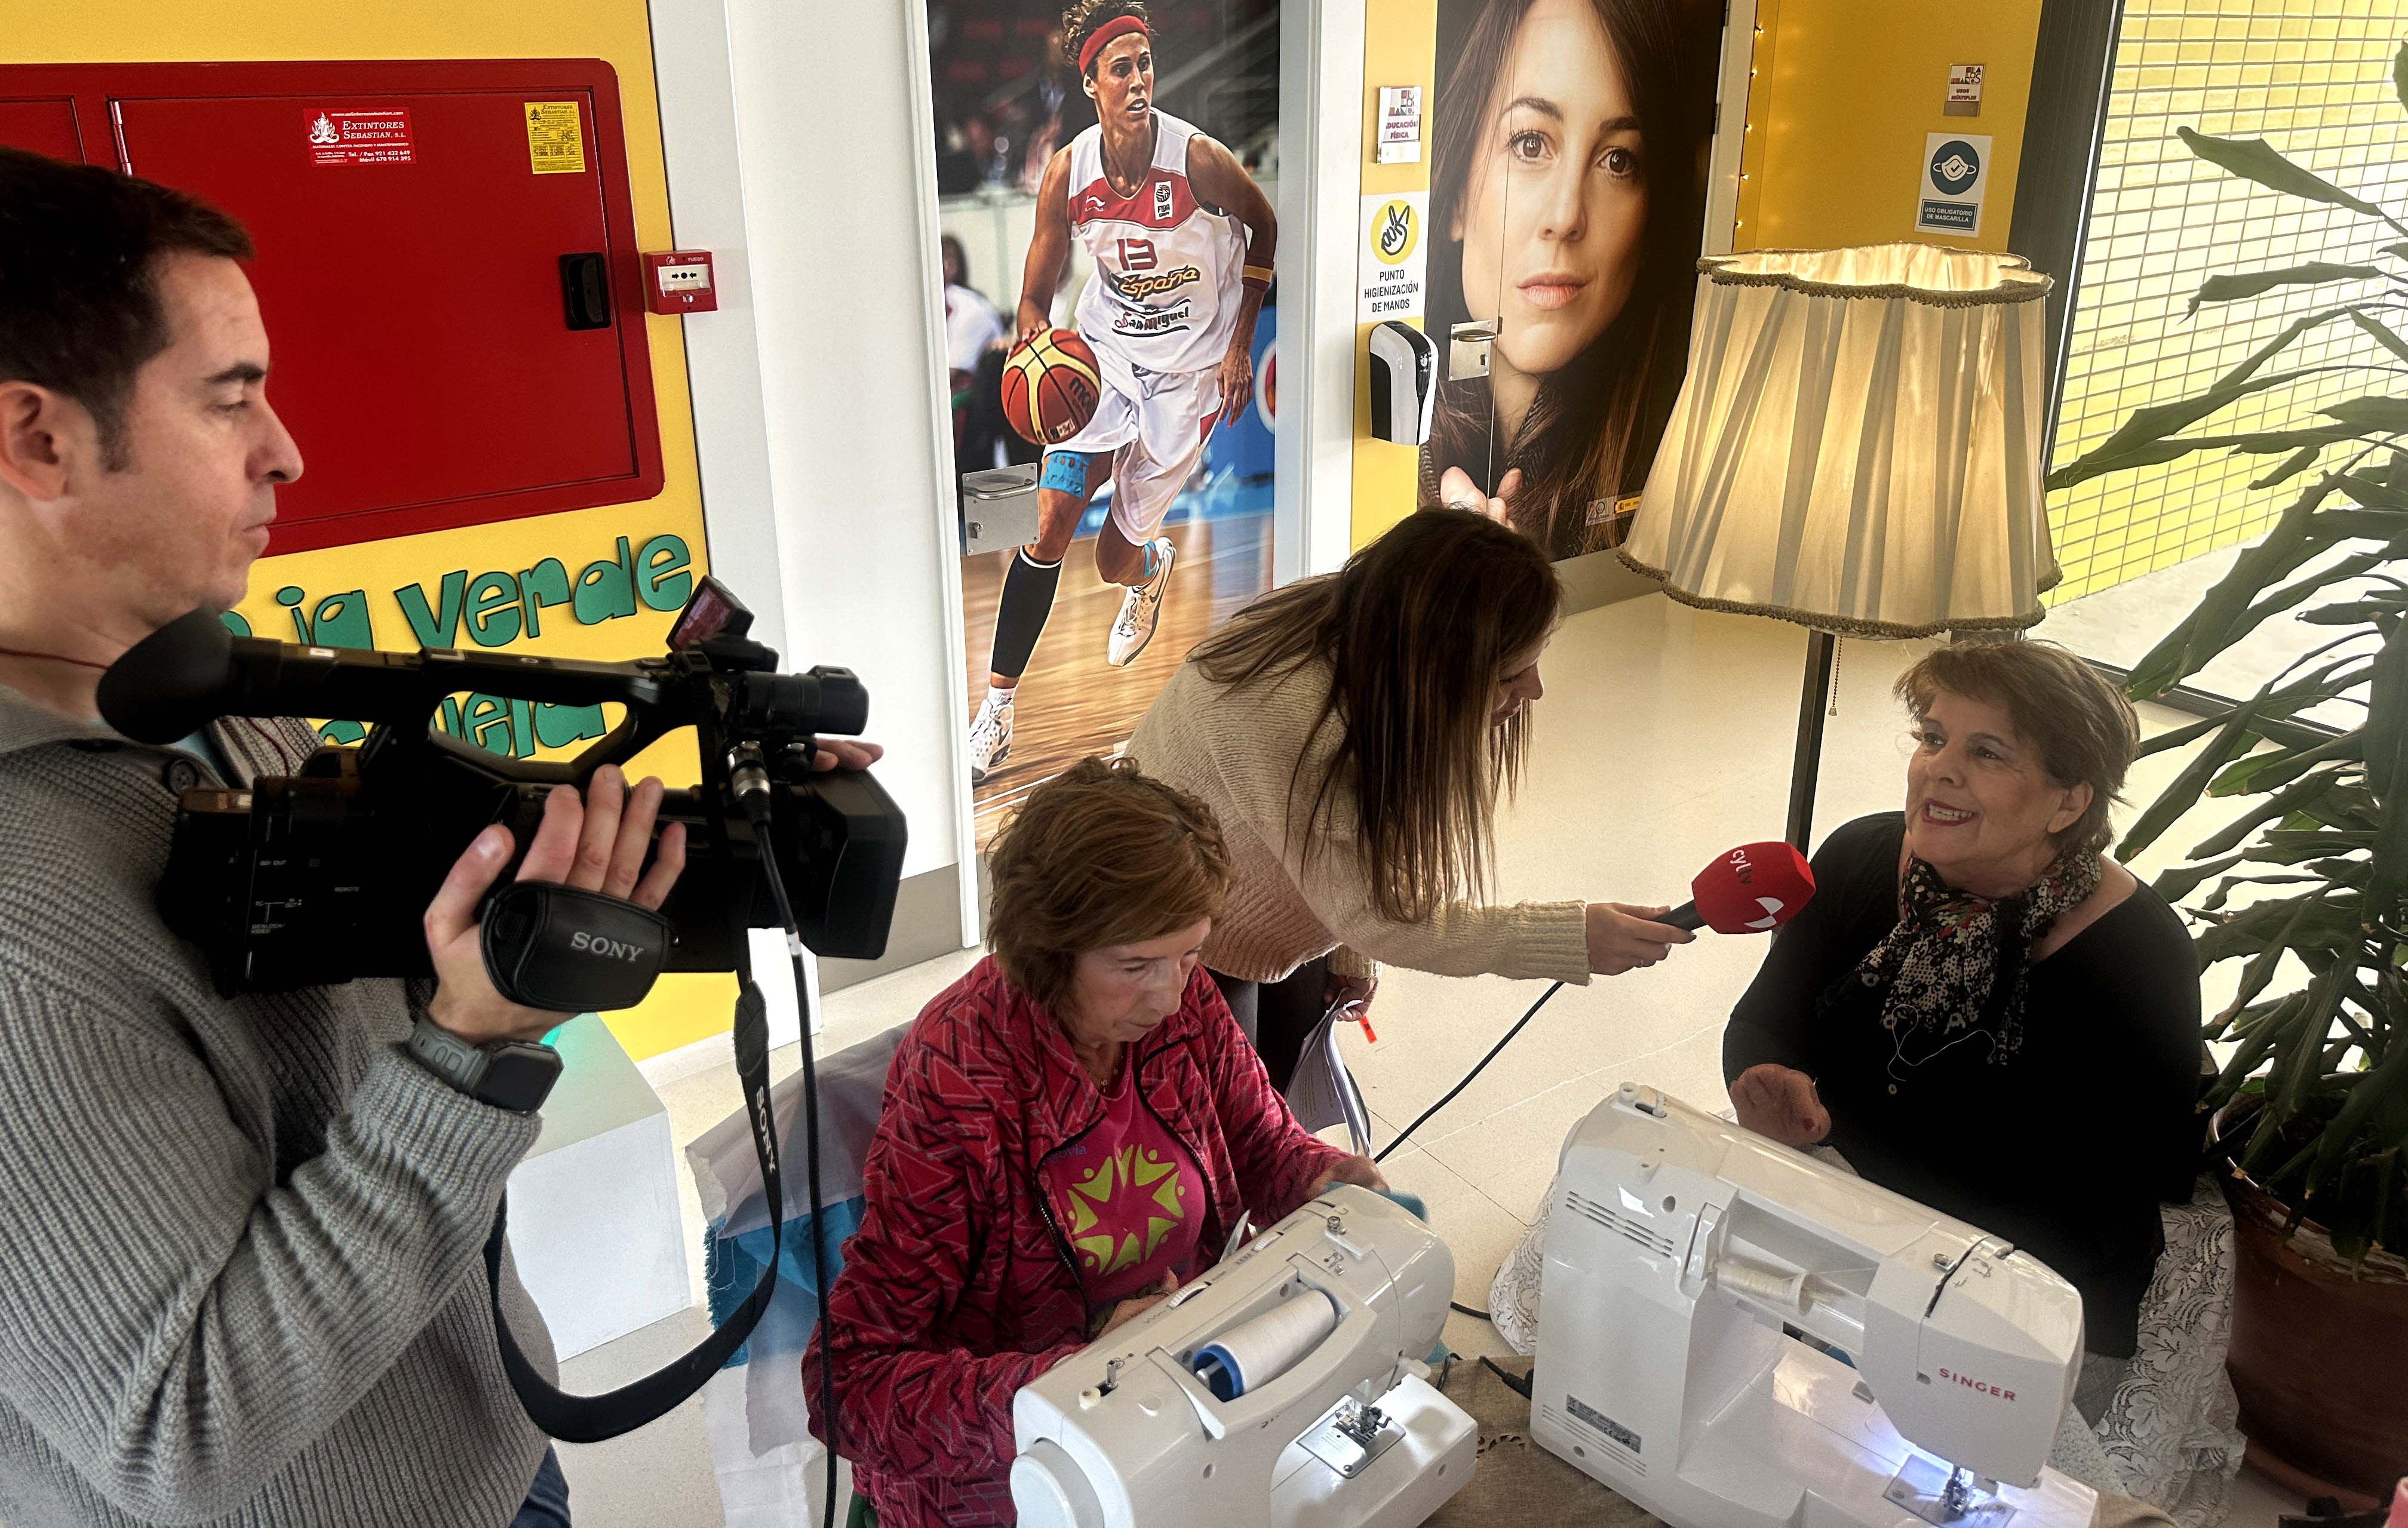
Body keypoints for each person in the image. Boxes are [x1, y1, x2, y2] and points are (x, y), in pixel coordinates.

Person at [0, 147, 871, 1527]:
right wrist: (473, 1050)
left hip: (482, 1444)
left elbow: (360, 968)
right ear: (39, 439)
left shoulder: (199, 690)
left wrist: (692, 844)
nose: (284, 449)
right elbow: (178, 1430)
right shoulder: (18, 915)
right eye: (230, 398)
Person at [802, 757, 1380, 1527]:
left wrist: (1322, 1177)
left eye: (1190, 955)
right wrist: (1083, 1380)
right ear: (1048, 952)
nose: (1170, 996)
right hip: (1027, 1473)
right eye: (1134, 965)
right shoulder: (960, 1079)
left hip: (1184, 1394)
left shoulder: (1183, 1006)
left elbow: (1263, 1147)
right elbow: (849, 1384)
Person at [1723, 639, 2203, 1417]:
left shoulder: (2139, 954)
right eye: (1933, 738)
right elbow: (1761, 1022)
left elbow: (2133, 1185)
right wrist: (1769, 1082)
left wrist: (1888, 1237)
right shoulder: (1857, 856)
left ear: (2069, 802)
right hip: (1837, 1212)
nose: (1939, 770)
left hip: (2016, 1287)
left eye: (1987, 753)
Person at [1126, 507, 1690, 1090]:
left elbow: (1364, 832)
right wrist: (1574, 939)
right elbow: (1380, 916)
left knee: (1277, 1100)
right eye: (1509, 675)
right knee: (1226, 1125)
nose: (1536, 690)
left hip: (1257, 905)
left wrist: (1347, 953)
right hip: (1169, 935)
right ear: (1434, 662)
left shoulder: (1378, 634)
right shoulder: (1288, 716)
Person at [965, 0, 1276, 783]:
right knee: (1049, 523)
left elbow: (1265, 227)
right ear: (1090, 84)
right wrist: (1032, 333)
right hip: (1104, 355)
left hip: (1189, 373)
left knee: (1111, 560)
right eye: (1120, 69)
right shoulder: (1067, 173)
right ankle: (995, 713)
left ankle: (1147, 571)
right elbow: (1036, 292)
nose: (1138, 80)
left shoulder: (1198, 159)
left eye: (1145, 65)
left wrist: (1240, 346)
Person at [1421, 0, 1717, 558]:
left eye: (1618, 161)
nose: (1566, 217)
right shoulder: (1376, 457)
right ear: (1455, 199)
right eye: (1530, 144)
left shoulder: (1697, 461)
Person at [941, 233, 1009, 475]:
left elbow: (951, 373)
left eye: (950, 258)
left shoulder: (970, 307)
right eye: (942, 258)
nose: (946, 265)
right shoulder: (938, 302)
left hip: (982, 424)